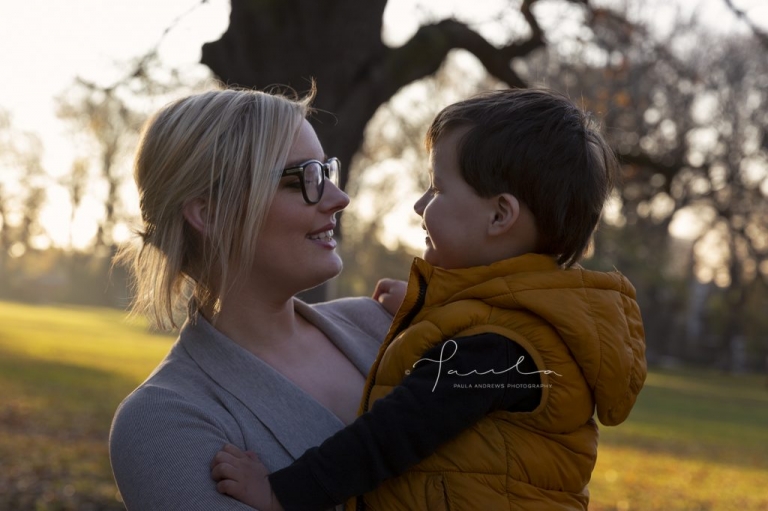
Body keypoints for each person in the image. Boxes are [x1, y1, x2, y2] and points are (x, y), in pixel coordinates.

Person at [210, 88, 648, 511]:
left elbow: (390, 436)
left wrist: (280, 493)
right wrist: (432, 309)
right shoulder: (522, 328)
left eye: (437, 189)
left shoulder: (494, 351)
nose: (420, 205)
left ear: (499, 216)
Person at [108, 87, 401, 511]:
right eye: (305, 179)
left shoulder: (381, 323)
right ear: (210, 214)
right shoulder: (163, 423)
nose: (340, 199)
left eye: (327, 171)